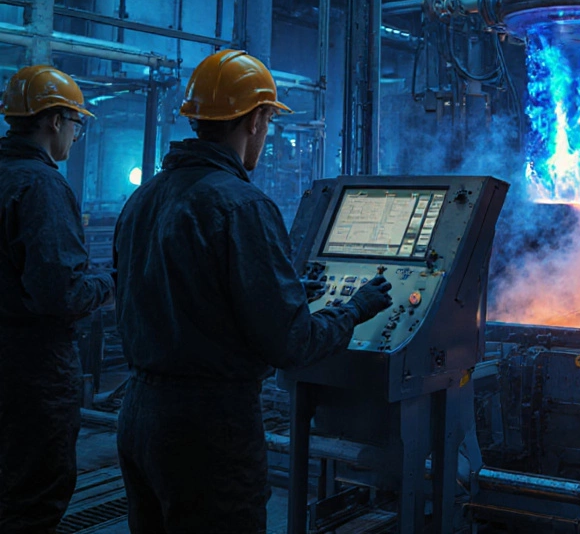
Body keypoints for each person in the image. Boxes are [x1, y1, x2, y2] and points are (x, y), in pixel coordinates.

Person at [112, 49, 392, 533]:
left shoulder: (143, 198)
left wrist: (286, 294)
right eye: (268, 121)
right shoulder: (242, 205)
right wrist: (355, 309)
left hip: (138, 416)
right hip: (208, 428)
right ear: (257, 119)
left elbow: (190, 297)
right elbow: (292, 344)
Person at [0, 66, 114, 533]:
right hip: (32, 373)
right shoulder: (41, 185)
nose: (75, 135)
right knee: (32, 503)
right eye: (76, 124)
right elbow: (61, 294)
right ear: (54, 120)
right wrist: (111, 282)